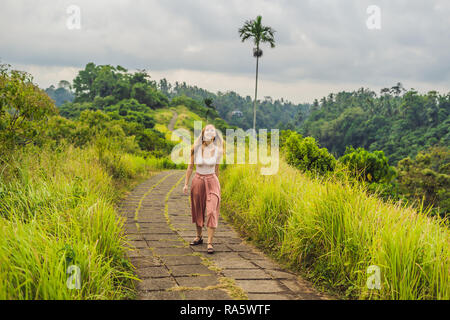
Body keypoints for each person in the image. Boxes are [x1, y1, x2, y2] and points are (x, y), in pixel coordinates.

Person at [183, 124, 223, 254]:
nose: (210, 133)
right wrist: (186, 184)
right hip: (198, 181)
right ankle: (199, 236)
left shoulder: (218, 150)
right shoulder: (196, 149)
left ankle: (210, 243)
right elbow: (190, 167)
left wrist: (217, 185)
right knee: (198, 209)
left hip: (212, 181)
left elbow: (217, 170)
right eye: (208, 130)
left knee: (211, 211)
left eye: (213, 131)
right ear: (203, 133)